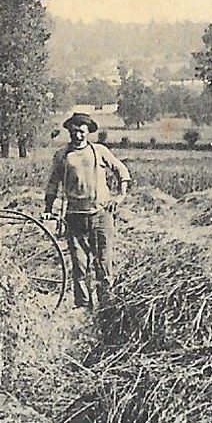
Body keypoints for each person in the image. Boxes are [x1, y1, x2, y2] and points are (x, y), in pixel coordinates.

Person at [44, 112, 133, 308]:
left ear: (88, 132)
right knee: (79, 265)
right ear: (69, 131)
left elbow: (121, 171)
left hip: (101, 216)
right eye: (74, 131)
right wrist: (48, 210)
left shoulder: (99, 151)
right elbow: (52, 185)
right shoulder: (62, 155)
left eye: (81, 132)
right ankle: (83, 307)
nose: (77, 136)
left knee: (103, 263)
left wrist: (120, 196)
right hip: (74, 217)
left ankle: (106, 306)